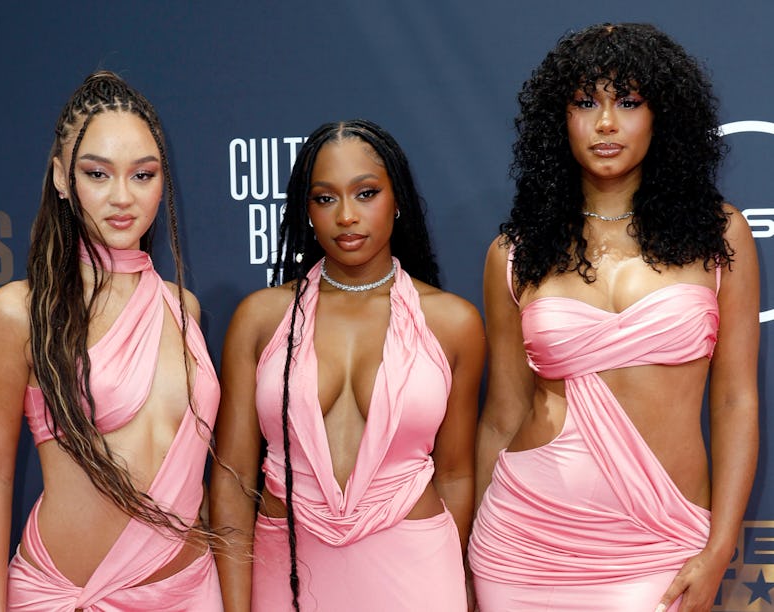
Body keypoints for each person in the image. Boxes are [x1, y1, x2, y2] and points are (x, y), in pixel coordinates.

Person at [469, 23, 759, 612]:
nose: (606, 123)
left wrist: (721, 546)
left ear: (662, 117)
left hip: (662, 544)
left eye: (627, 102)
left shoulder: (718, 235)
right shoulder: (516, 253)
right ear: (561, 120)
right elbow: (501, 415)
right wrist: (470, 558)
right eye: (585, 103)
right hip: (523, 540)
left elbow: (735, 402)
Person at [0, 71, 222, 611]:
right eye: (98, 174)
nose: (122, 197)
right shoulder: (17, 314)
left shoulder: (184, 308)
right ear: (62, 178)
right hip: (72, 598)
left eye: (143, 175)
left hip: (192, 594)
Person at [210, 119, 484, 611]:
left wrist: (452, 574)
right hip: (288, 570)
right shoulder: (260, 318)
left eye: (366, 193)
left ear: (397, 200)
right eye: (325, 198)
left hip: (416, 570)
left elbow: (457, 476)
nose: (346, 216)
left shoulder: (453, 323)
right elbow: (231, 479)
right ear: (306, 210)